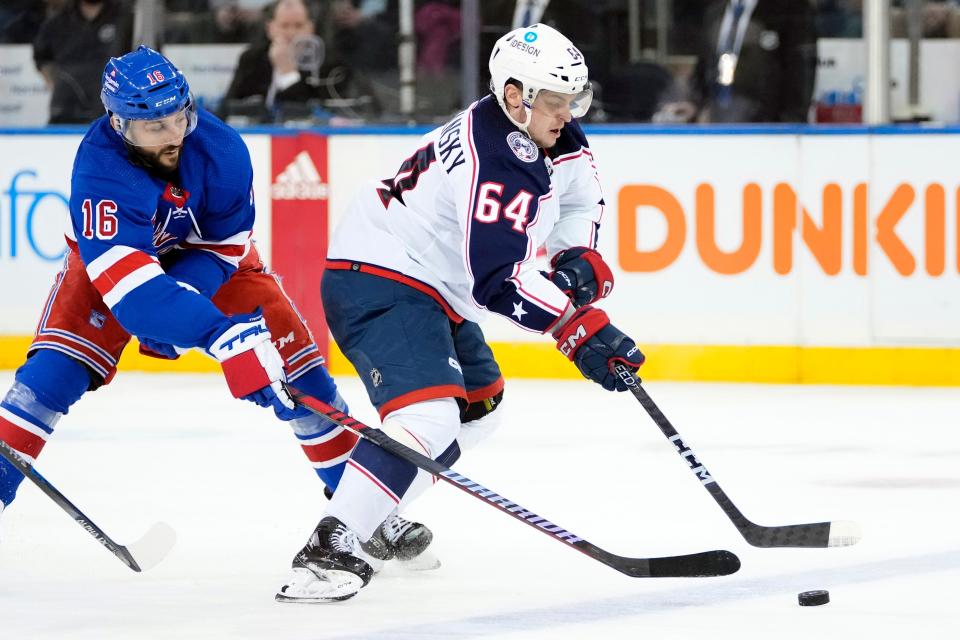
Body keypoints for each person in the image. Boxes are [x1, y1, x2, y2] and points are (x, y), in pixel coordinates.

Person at [0, 46, 430, 582]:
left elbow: (225, 249)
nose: (172, 135)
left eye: (177, 116)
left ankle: (360, 512)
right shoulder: (99, 170)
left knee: (303, 374)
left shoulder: (222, 150)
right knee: (50, 377)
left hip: (211, 264)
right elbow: (134, 299)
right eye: (152, 126)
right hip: (113, 270)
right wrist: (213, 332)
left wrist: (205, 319)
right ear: (119, 124)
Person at [273, 23, 645, 603]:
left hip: (434, 285)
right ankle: (330, 547)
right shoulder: (495, 158)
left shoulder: (550, 133)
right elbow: (499, 282)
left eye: (573, 100)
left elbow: (578, 197)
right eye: (554, 99)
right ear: (515, 94)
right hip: (380, 273)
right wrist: (575, 328)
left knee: (477, 413)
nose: (567, 113)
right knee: (430, 419)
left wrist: (575, 252)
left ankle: (371, 510)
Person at [660, 0, 817, 123]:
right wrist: (695, 105)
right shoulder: (715, 11)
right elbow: (705, 68)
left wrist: (790, 126)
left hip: (766, 130)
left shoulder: (791, 9)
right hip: (717, 125)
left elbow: (800, 73)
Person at [222, 0, 353, 121]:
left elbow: (323, 114)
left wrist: (288, 74)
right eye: (284, 26)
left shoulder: (330, 64)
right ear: (270, 29)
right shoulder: (251, 59)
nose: (291, 33)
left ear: (311, 28)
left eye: (298, 26)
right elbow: (226, 108)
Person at [32, 0, 133, 124]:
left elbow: (142, 61)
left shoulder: (127, 18)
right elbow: (42, 58)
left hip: (113, 114)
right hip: (66, 113)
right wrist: (58, 84)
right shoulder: (57, 22)